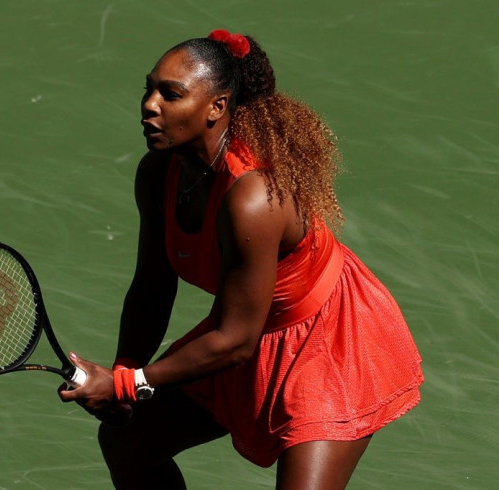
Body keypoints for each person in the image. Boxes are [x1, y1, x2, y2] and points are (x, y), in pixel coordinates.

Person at [59, 29, 424, 489]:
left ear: (217, 107)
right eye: (149, 88)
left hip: (326, 345)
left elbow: (234, 340)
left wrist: (131, 384)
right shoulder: (157, 174)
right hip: (246, 328)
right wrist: (123, 372)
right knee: (127, 444)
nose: (150, 104)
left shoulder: (251, 196)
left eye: (170, 94)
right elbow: (153, 285)